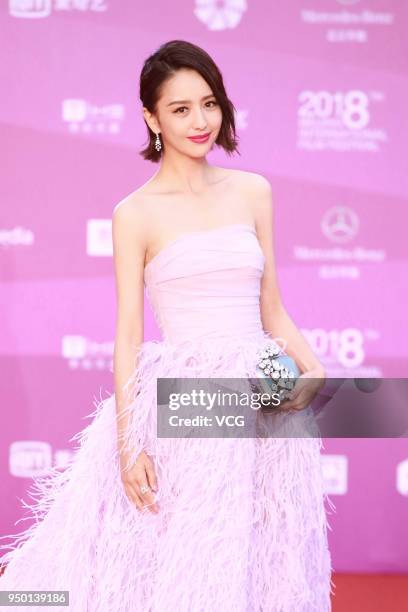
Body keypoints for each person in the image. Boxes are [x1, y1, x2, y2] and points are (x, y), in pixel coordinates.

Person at [0, 40, 334, 611]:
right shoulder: (135, 213)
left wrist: (314, 367)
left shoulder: (254, 191)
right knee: (197, 557)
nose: (200, 121)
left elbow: (271, 306)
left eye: (209, 103)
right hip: (188, 403)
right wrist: (130, 449)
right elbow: (129, 334)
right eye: (180, 109)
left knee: (269, 552)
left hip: (264, 393)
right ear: (151, 118)